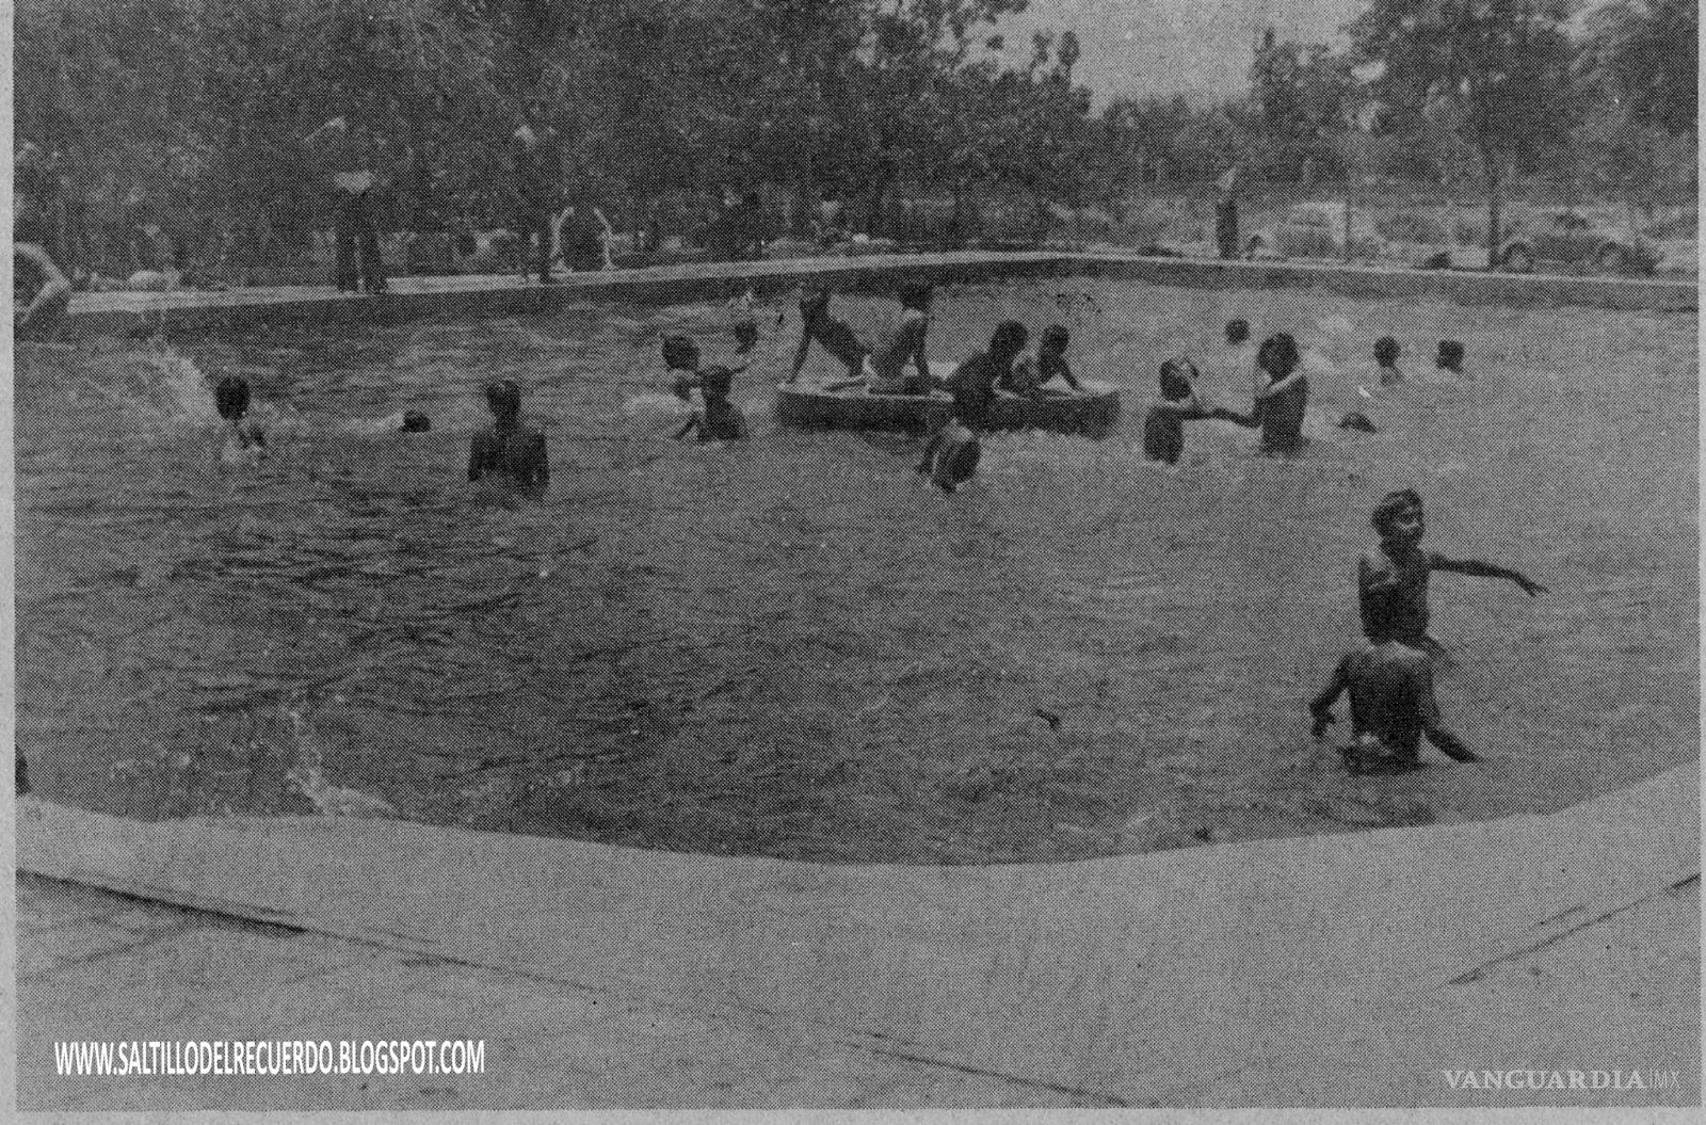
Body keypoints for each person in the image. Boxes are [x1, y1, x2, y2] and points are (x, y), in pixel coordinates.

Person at [1359, 489, 1547, 652]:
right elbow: (1379, 617)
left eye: (1420, 518)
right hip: (1386, 649)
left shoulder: (1421, 557)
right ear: (1385, 526)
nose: (1417, 525)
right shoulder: (1375, 561)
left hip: (1417, 639)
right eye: (1407, 519)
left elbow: (1467, 565)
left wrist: (1512, 574)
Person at [1310, 639, 1479, 772]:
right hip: (1397, 768)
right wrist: (1478, 764)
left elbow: (1317, 704)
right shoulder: (1416, 661)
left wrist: (1320, 722)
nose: (1425, 616)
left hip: (1356, 761)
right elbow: (1435, 731)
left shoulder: (1352, 656)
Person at [915, 320, 1028, 488]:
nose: (1018, 352)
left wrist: (1025, 390)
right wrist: (983, 395)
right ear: (1004, 343)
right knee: (966, 435)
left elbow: (1006, 382)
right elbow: (962, 379)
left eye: (1019, 349)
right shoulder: (983, 356)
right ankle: (943, 473)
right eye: (1018, 347)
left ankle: (929, 463)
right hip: (959, 390)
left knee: (956, 432)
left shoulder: (1005, 359)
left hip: (976, 393)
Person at [468, 380, 549, 491]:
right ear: (518, 405)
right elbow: (543, 482)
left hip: (492, 500)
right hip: (523, 498)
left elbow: (473, 479)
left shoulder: (481, 437)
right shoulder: (534, 436)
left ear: (491, 406)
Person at [787, 289, 869, 383]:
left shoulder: (839, 328)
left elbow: (860, 359)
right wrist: (792, 376)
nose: (808, 321)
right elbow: (801, 352)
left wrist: (847, 382)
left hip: (869, 365)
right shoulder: (811, 328)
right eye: (806, 318)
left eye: (812, 317)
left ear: (823, 314)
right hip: (858, 367)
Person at [866, 285, 934, 395]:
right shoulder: (920, 318)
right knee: (935, 381)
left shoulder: (899, 313)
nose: (931, 302)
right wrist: (927, 384)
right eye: (930, 298)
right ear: (923, 299)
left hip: (868, 368)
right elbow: (919, 356)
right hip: (882, 382)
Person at [512, 123, 557, 284]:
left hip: (543, 190)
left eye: (541, 105)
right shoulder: (520, 135)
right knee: (524, 233)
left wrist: (554, 188)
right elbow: (515, 167)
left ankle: (544, 273)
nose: (536, 109)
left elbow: (556, 164)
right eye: (533, 105)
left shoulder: (551, 134)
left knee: (545, 234)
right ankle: (523, 273)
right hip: (526, 190)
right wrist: (519, 191)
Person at [1251, 332, 1308, 455]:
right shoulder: (1263, 356)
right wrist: (1289, 379)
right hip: (1273, 440)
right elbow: (1260, 394)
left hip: (1286, 440)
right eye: (1269, 357)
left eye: (1275, 356)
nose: (1270, 361)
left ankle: (1284, 442)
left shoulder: (1297, 377)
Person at [1003, 324, 1084, 397]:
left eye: (1062, 348)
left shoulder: (1059, 362)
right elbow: (1018, 375)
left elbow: (1074, 384)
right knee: (1019, 367)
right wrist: (1027, 389)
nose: (1061, 351)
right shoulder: (1031, 359)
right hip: (1009, 382)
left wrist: (1087, 392)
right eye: (1056, 347)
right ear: (1044, 344)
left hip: (1025, 384)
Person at [673, 365, 748, 443]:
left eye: (712, 388)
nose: (706, 392)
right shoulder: (699, 416)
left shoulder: (734, 413)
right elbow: (675, 439)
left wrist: (723, 445)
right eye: (703, 387)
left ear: (725, 390)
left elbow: (745, 441)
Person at [214, 375, 268, 466]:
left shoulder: (217, 431)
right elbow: (264, 453)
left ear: (220, 405)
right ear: (247, 401)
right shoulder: (254, 427)